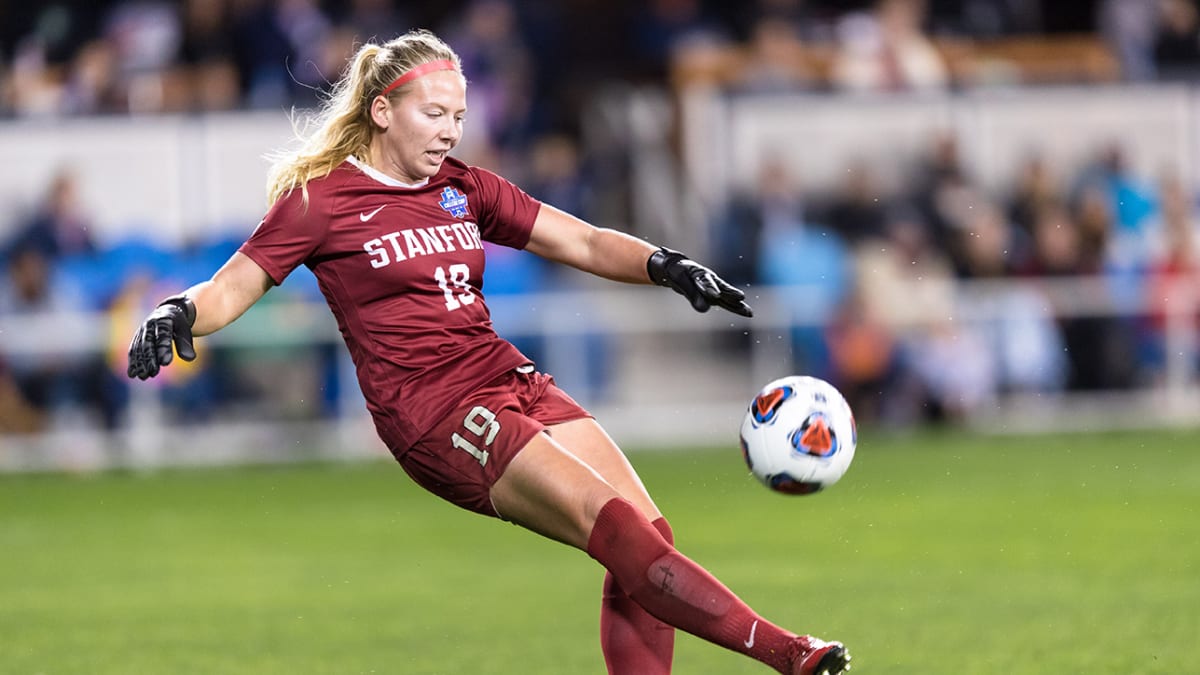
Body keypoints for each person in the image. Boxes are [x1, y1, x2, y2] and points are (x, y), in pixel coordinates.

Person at [126, 29, 850, 675]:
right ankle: (789, 653)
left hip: (506, 375)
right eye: (433, 114)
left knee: (648, 533)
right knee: (623, 535)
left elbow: (586, 240)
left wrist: (665, 265)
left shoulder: (463, 188)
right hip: (435, 411)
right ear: (383, 111)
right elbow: (232, 286)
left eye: (460, 117)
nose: (450, 131)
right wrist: (177, 309)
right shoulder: (323, 201)